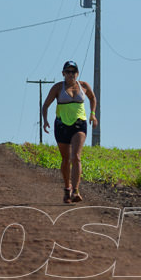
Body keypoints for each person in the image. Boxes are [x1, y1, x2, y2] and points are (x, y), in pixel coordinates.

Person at [41, 60, 97, 203]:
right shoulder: (58, 88)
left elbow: (92, 98)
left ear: (77, 73)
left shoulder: (83, 86)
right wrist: (45, 120)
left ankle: (76, 191)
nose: (71, 74)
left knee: (76, 156)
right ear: (63, 73)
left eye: (73, 72)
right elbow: (46, 105)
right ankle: (67, 189)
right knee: (66, 159)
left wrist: (92, 114)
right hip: (61, 125)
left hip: (79, 124)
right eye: (68, 72)